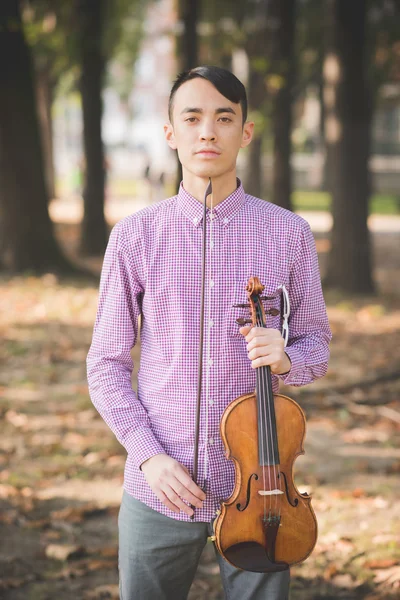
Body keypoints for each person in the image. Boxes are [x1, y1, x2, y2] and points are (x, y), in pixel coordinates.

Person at [87, 65, 332, 600]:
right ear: (170, 132)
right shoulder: (134, 236)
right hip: (159, 486)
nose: (208, 132)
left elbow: (316, 344)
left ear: (245, 132)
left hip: (265, 491)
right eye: (192, 118)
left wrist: (287, 358)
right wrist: (147, 455)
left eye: (224, 118)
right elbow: (105, 365)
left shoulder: (288, 232)